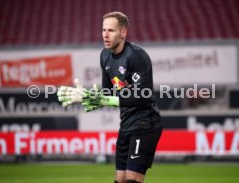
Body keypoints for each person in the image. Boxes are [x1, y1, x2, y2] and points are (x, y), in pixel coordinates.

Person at [58, 11, 162, 183]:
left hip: (145, 124)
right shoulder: (105, 56)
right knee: (119, 180)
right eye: (103, 30)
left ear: (123, 33)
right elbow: (107, 93)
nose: (105, 35)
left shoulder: (137, 56)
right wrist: (88, 97)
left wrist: (105, 100)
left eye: (111, 30)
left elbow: (143, 96)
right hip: (126, 124)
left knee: (132, 180)